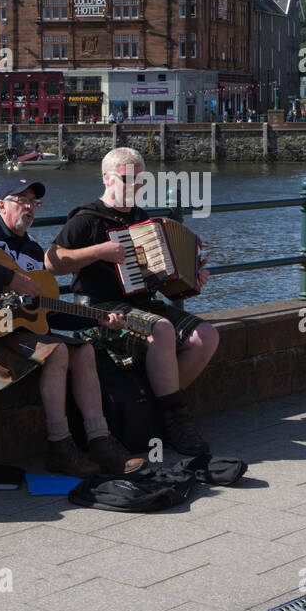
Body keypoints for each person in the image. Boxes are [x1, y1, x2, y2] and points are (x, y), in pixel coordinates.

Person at [0, 177, 142, 478]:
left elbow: (45, 314)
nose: (29, 207)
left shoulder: (34, 252)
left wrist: (97, 318)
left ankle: (99, 439)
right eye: (21, 200)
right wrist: (9, 279)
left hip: (18, 333)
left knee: (85, 349)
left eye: (34, 202)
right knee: (58, 351)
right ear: (1, 205)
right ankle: (60, 446)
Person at [45, 147, 218, 456]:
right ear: (106, 178)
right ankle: (176, 420)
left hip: (143, 304)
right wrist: (99, 252)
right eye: (127, 179)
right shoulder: (86, 219)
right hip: (99, 308)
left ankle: (156, 410)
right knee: (162, 330)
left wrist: (191, 281)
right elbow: (52, 262)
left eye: (140, 180)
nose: (135, 186)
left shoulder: (143, 220)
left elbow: (162, 282)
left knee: (206, 336)